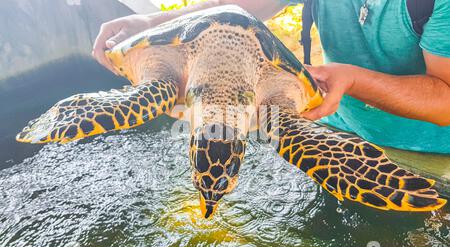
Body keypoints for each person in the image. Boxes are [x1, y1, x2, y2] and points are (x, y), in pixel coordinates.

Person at [92, 0, 450, 153]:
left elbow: (447, 102)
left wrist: (353, 80)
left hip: (423, 153)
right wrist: (153, 21)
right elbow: (242, 6)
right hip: (340, 127)